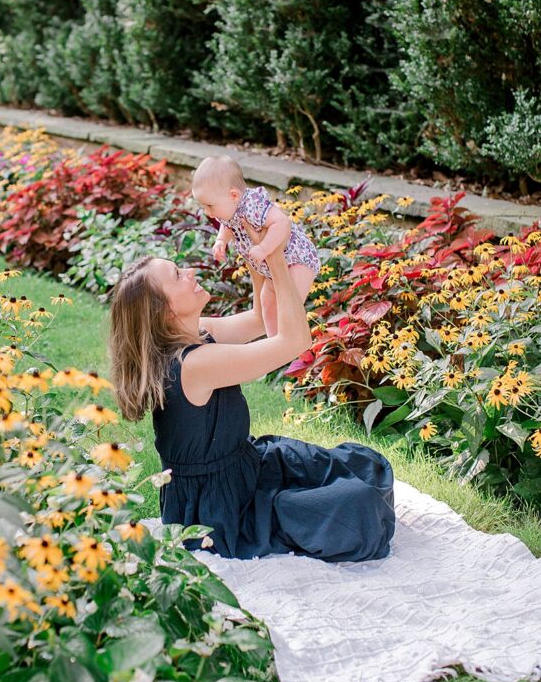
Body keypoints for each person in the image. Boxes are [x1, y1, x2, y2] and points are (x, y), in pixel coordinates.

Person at [108, 225, 395, 562]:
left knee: (364, 465)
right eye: (177, 275)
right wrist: (274, 260)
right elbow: (293, 342)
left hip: (246, 466)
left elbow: (262, 319)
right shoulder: (195, 365)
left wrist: (254, 256)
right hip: (220, 510)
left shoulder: (200, 333)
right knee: (359, 506)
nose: (189, 272)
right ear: (166, 311)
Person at [191, 155, 320, 336]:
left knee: (290, 303)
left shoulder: (253, 205)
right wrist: (221, 240)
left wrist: (263, 248)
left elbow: (282, 223)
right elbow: (227, 225)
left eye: (209, 205)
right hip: (271, 269)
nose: (207, 212)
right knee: (266, 300)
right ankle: (274, 340)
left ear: (234, 195)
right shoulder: (229, 207)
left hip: (299, 259)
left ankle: (289, 338)